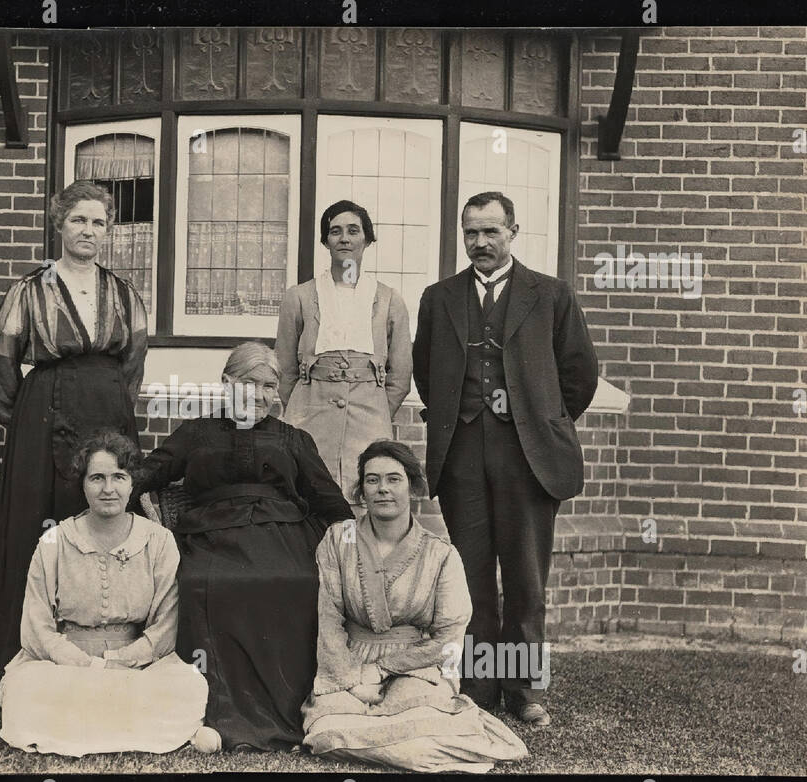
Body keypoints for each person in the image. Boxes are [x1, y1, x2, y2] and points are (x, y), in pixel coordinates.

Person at [412, 191, 599, 726]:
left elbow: (579, 375)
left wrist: (534, 415)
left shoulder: (551, 295)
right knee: (469, 579)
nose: (480, 243)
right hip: (462, 454)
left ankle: (522, 691)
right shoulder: (438, 298)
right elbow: (428, 374)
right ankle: (478, 686)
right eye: (471, 232)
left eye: (491, 231)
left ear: (514, 232)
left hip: (528, 458)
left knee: (525, 579)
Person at [130, 342, 354, 751]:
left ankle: (291, 711)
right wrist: (123, 491)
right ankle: (212, 713)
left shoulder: (294, 438)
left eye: (270, 386)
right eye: (250, 384)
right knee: (198, 582)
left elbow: (329, 500)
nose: (261, 395)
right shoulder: (197, 432)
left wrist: (348, 540)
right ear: (227, 384)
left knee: (298, 581)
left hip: (283, 534)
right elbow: (149, 473)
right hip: (211, 535)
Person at [0, 181, 150, 670]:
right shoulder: (30, 289)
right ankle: (29, 646)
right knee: (39, 527)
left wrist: (112, 408)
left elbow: (133, 365)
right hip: (42, 414)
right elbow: (1, 363)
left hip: (106, 410)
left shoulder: (122, 292)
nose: (88, 231)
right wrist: (28, 424)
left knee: (102, 512)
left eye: (98, 222)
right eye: (78, 220)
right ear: (60, 224)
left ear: (108, 230)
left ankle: (107, 641)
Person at [302, 441, 529, 772]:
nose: (383, 489)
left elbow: (449, 637)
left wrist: (382, 669)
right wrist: (352, 679)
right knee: (325, 734)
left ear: (413, 486)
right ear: (361, 490)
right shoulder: (340, 539)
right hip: (351, 660)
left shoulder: (440, 554)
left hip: (418, 664)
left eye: (394, 479)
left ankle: (405, 738)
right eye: (372, 480)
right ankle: (398, 740)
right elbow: (328, 617)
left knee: (424, 732)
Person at [0, 431, 209, 757]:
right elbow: (36, 626)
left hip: (137, 664)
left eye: (119, 477)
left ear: (132, 483)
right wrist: (80, 662)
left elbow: (167, 624)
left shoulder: (159, 540)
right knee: (25, 692)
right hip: (65, 663)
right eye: (97, 478)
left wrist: (122, 661)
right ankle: (131, 727)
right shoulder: (55, 540)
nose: (108, 489)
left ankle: (88, 725)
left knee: (187, 684)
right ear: (82, 484)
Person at [276, 200, 412, 504]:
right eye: (335, 232)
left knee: (363, 498)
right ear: (326, 241)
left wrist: (374, 410)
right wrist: (303, 409)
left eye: (353, 231)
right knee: (307, 496)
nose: (344, 238)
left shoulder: (389, 300)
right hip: (310, 418)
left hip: (368, 422)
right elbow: (284, 370)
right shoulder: (298, 297)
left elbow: (400, 377)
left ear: (367, 239)